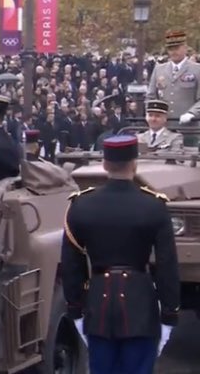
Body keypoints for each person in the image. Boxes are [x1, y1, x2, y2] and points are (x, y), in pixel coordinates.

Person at [61, 135, 179, 374]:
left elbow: (71, 265)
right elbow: (167, 265)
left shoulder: (80, 206)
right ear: (135, 164)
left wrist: (75, 309)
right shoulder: (154, 206)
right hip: (141, 309)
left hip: (98, 309)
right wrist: (169, 314)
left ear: (104, 164)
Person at [147, 30, 200, 122]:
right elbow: (151, 96)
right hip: (164, 125)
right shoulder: (159, 69)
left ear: (185, 48)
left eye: (177, 48)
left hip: (189, 126)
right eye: (170, 49)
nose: (173, 52)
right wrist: (151, 115)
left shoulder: (196, 69)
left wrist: (192, 113)